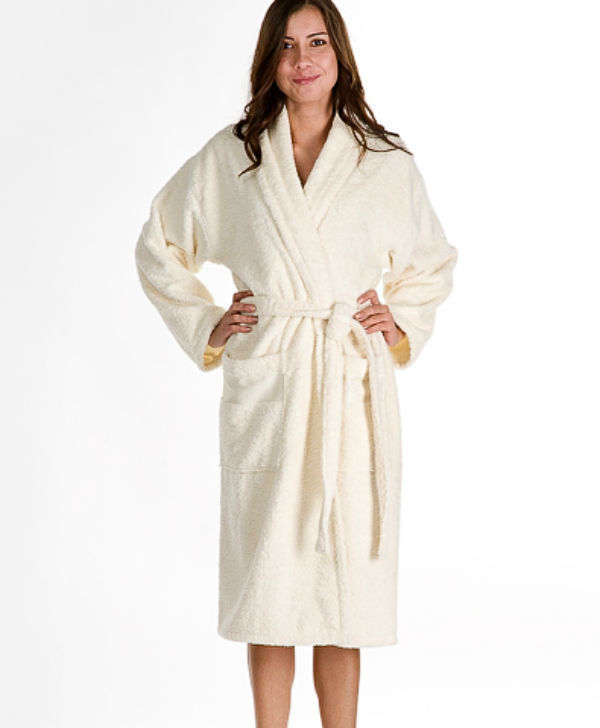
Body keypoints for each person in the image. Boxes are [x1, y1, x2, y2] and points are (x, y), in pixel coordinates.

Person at [134, 0, 458, 725]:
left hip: (349, 382)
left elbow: (432, 263)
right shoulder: (234, 156)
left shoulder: (385, 162)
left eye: (316, 43)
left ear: (339, 54)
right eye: (286, 46)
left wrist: (397, 322)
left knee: (345, 597)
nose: (303, 60)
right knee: (271, 591)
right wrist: (209, 324)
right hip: (272, 387)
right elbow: (159, 244)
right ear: (269, 61)